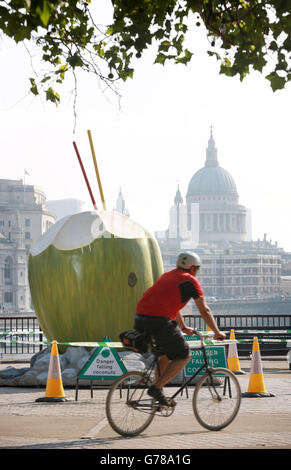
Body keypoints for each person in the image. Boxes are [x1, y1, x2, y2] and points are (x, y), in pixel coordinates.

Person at [134, 252, 226, 406]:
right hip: (160, 321)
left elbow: (172, 305)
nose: (197, 271)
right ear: (192, 268)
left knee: (163, 358)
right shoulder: (190, 281)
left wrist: (183, 327)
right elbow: (205, 310)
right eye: (197, 268)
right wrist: (217, 332)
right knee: (184, 355)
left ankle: (159, 395)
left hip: (141, 318)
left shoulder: (167, 276)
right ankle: (156, 388)